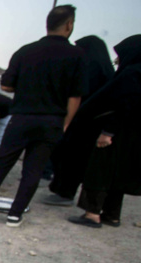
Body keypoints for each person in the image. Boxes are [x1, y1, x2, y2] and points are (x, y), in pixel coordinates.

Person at [0, 5, 87, 227]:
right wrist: (65, 124)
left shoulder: (26, 51)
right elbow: (75, 96)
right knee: (33, 169)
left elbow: (6, 84)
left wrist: (27, 86)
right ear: (69, 25)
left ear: (47, 24)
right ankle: (15, 214)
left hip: (22, 117)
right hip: (51, 120)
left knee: (2, 163)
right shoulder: (77, 55)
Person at [67, 35, 141, 228]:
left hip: (116, 133)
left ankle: (92, 214)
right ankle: (112, 215)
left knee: (99, 170)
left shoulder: (132, 73)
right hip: (131, 136)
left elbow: (125, 104)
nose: (117, 60)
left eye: (121, 55)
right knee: (118, 174)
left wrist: (108, 132)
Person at [44, 35, 116, 206]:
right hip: (90, 124)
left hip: (83, 124)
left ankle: (64, 192)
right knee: (73, 157)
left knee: (71, 157)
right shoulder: (105, 70)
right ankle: (62, 190)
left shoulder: (92, 68)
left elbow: (78, 93)